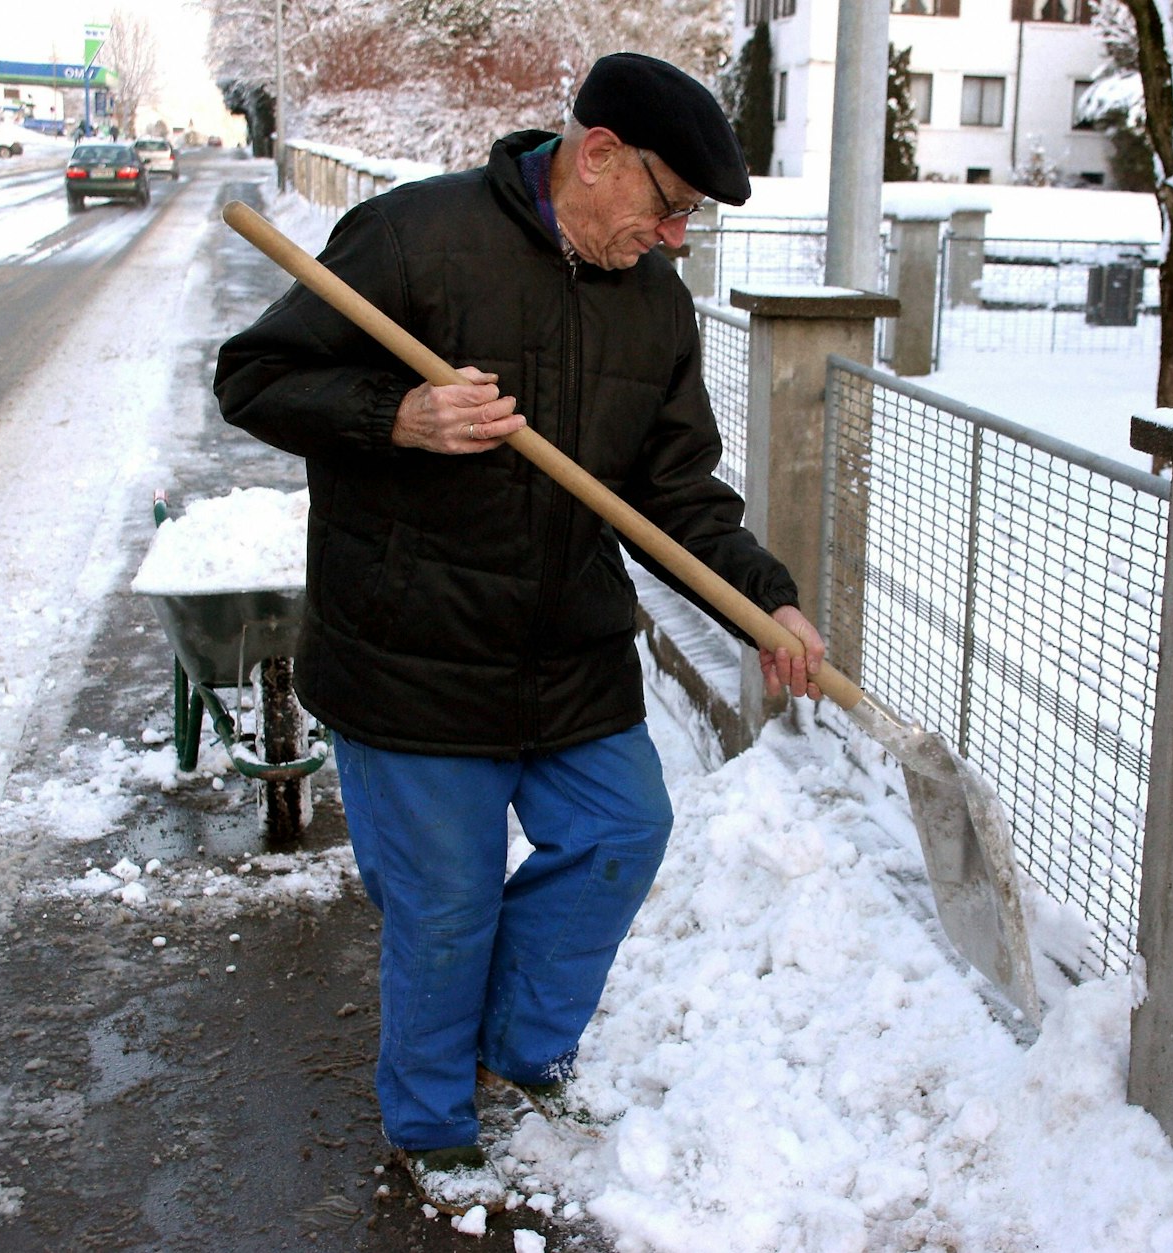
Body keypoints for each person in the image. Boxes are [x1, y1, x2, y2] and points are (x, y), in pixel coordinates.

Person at [213, 52, 827, 1212]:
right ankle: (433, 1123)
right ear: (598, 155)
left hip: (565, 649)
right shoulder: (411, 238)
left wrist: (761, 595)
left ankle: (517, 1041)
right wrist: (395, 413)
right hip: (412, 655)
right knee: (447, 907)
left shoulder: (652, 302)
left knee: (622, 829)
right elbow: (254, 378)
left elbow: (672, 490)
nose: (675, 237)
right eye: (670, 206)